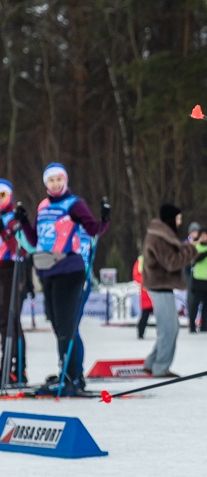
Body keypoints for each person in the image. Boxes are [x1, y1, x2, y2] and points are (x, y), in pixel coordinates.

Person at [18, 163, 110, 395]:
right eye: (51, 180)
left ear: (65, 180)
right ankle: (67, 373)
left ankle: (73, 378)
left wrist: (104, 218)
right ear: (46, 183)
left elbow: (93, 230)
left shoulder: (74, 204)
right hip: (47, 271)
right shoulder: (43, 206)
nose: (56, 184)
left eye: (59, 179)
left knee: (67, 328)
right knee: (58, 327)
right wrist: (24, 221)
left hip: (70, 270)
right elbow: (35, 240)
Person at [141, 204, 198, 377]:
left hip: (161, 287)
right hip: (160, 287)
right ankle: (160, 367)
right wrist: (191, 250)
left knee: (169, 328)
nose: (180, 222)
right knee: (169, 330)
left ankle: (151, 363)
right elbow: (171, 262)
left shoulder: (161, 234)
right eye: (178, 218)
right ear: (170, 219)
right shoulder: (160, 237)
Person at [0, 179, 31, 385]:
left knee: (8, 320)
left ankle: (13, 368)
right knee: (6, 321)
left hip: (11, 269)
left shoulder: (13, 217)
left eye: (2, 195)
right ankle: (13, 368)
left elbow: (22, 249)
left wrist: (4, 231)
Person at [133, 255, 154, 338]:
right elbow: (136, 275)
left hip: (149, 289)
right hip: (147, 291)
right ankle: (141, 331)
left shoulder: (142, 259)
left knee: (158, 314)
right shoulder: (141, 259)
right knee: (145, 314)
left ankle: (141, 331)